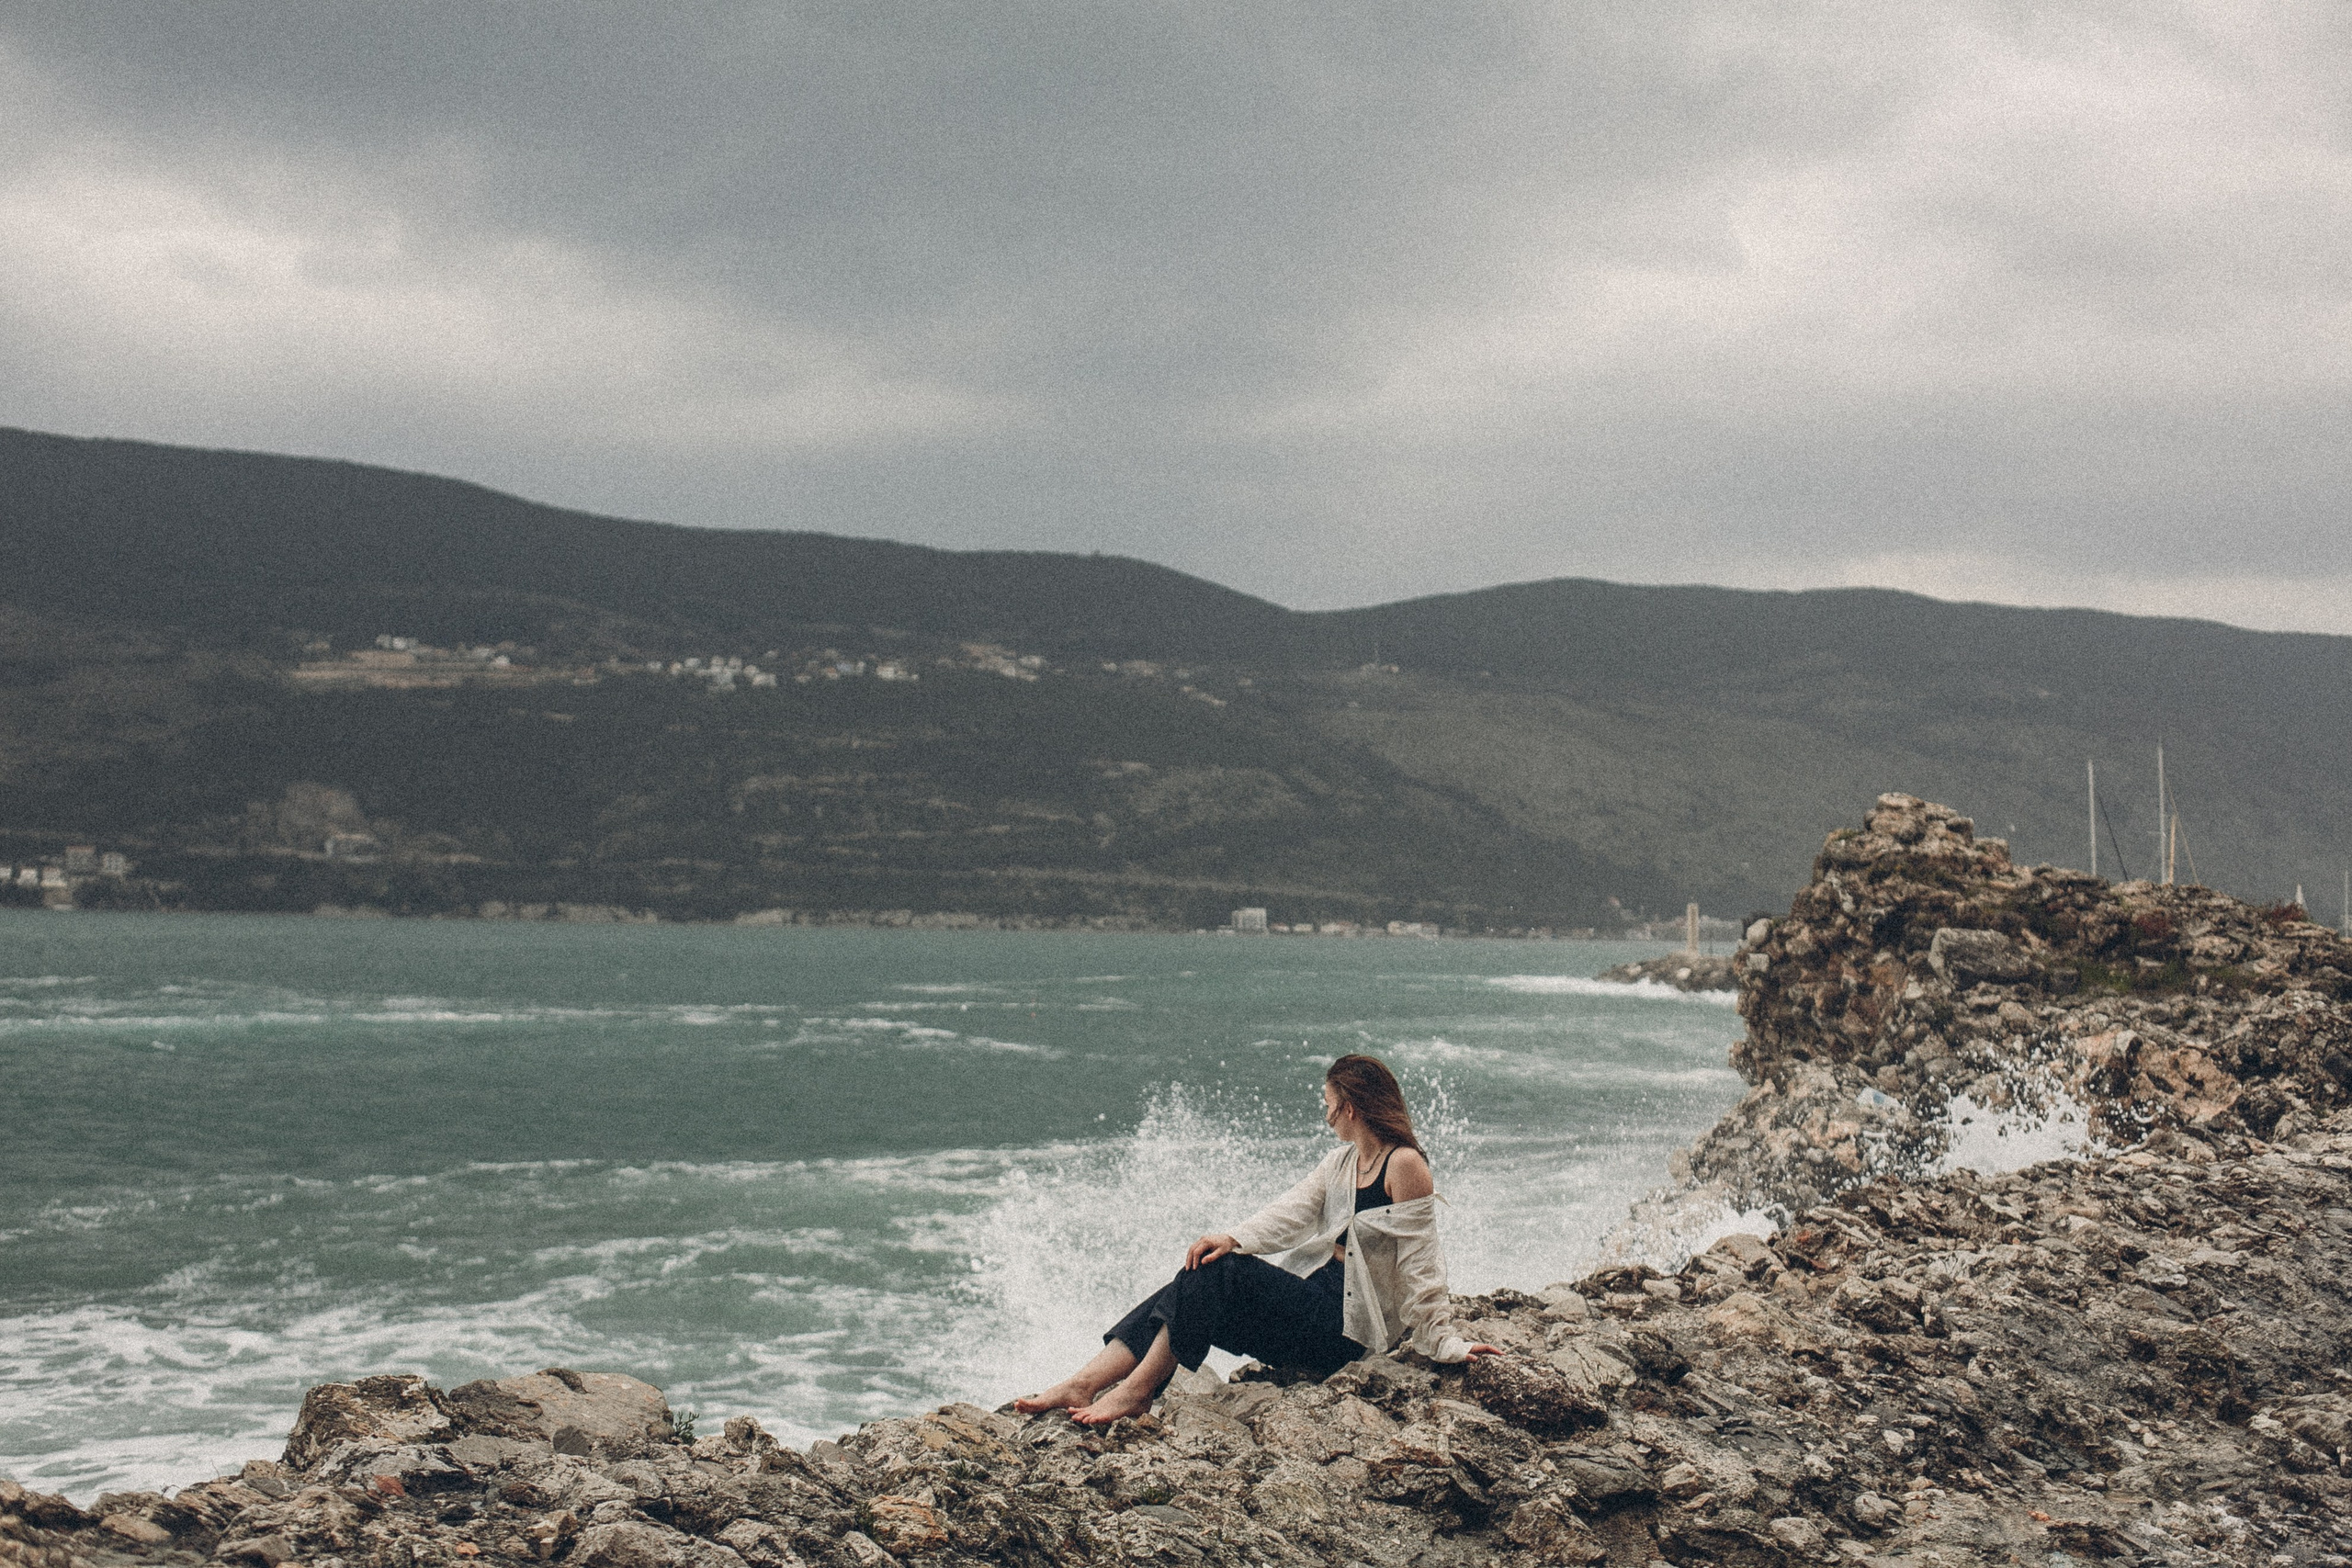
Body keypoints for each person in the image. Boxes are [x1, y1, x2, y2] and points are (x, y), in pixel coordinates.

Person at [1015, 1054, 1500, 1425]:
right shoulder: (1342, 1162)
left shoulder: (1406, 1166)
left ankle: (1137, 1390)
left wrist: (1447, 1342)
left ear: (1349, 1107)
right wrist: (1232, 1237)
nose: (1326, 1116)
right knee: (1198, 1276)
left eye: (1328, 1106)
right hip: (1311, 1313)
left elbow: (1422, 1265)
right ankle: (1083, 1384)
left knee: (1218, 1272)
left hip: (1347, 1333)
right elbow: (1290, 1214)